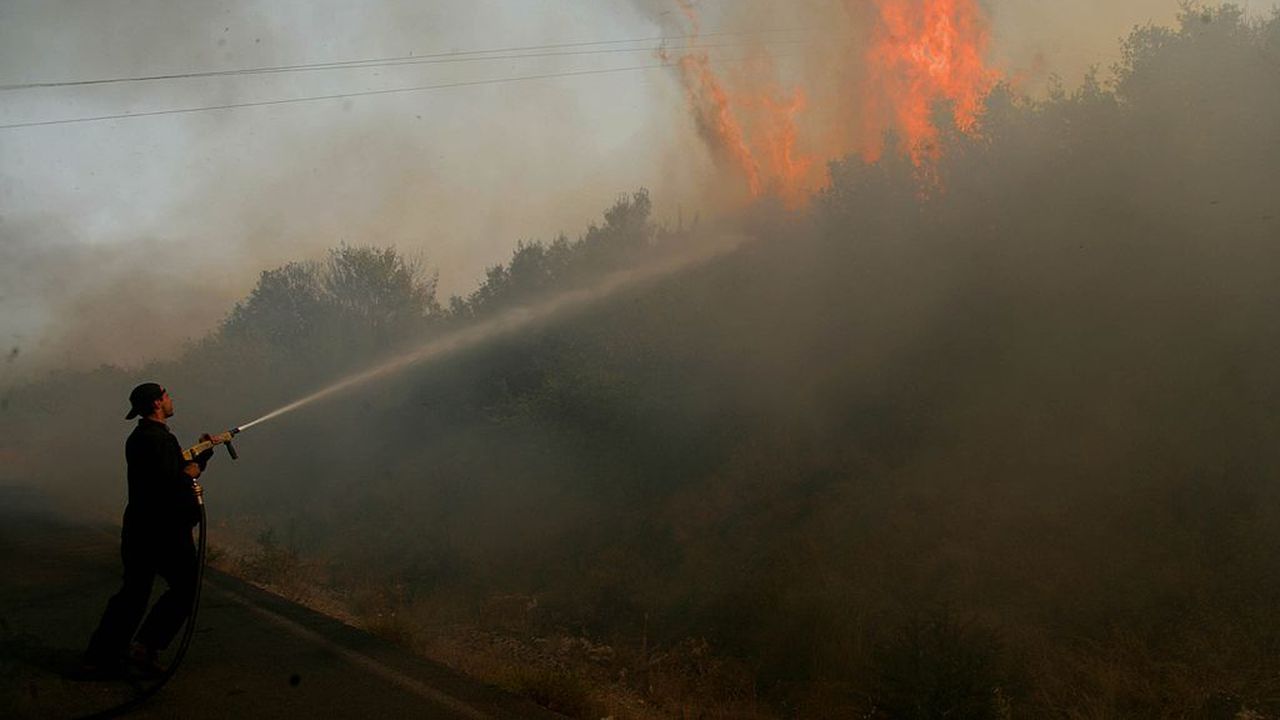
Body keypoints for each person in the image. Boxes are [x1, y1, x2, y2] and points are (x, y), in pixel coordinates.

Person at [82, 382, 216, 676]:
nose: (171, 399)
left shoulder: (148, 437)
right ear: (157, 403)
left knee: (133, 593)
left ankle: (102, 655)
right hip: (163, 532)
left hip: (143, 529)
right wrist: (193, 472)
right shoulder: (154, 440)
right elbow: (170, 482)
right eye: (167, 395)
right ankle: (143, 647)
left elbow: (172, 468)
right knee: (185, 587)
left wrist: (201, 455)